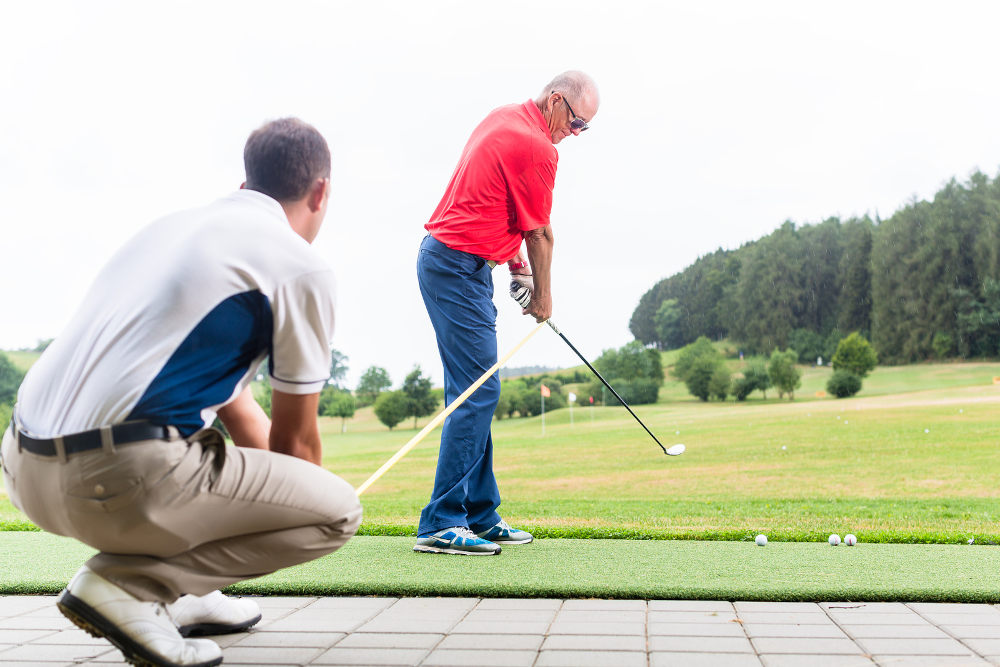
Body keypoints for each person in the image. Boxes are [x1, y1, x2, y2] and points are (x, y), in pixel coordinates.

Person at [0, 118, 362, 666]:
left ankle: (185, 594)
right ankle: (133, 586)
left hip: (22, 471)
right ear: (321, 192)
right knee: (335, 510)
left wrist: (269, 495)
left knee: (203, 453)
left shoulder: (172, 230)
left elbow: (237, 413)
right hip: (113, 477)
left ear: (245, 188)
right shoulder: (298, 265)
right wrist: (305, 498)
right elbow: (297, 455)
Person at [414, 71, 599, 556]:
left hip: (457, 264)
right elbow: (541, 234)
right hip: (456, 267)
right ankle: (441, 522)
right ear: (556, 101)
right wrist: (543, 298)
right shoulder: (540, 146)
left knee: (476, 388)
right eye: (576, 123)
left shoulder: (505, 117)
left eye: (584, 129)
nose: (574, 135)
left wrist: (514, 266)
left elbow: (498, 207)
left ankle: (480, 515)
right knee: (479, 391)